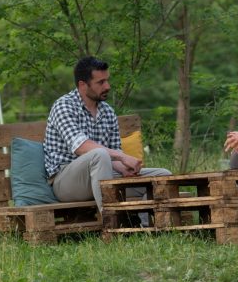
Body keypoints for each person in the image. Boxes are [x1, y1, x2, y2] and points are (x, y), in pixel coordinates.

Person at [44, 56, 171, 212]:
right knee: (99, 154)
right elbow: (80, 146)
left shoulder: (107, 111)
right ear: (83, 85)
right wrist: (123, 157)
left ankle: (143, 224)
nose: (107, 86)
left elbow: (114, 153)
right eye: (100, 82)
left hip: (102, 175)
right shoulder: (64, 106)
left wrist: (123, 168)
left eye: (107, 80)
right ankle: (112, 221)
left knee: (163, 176)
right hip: (66, 182)